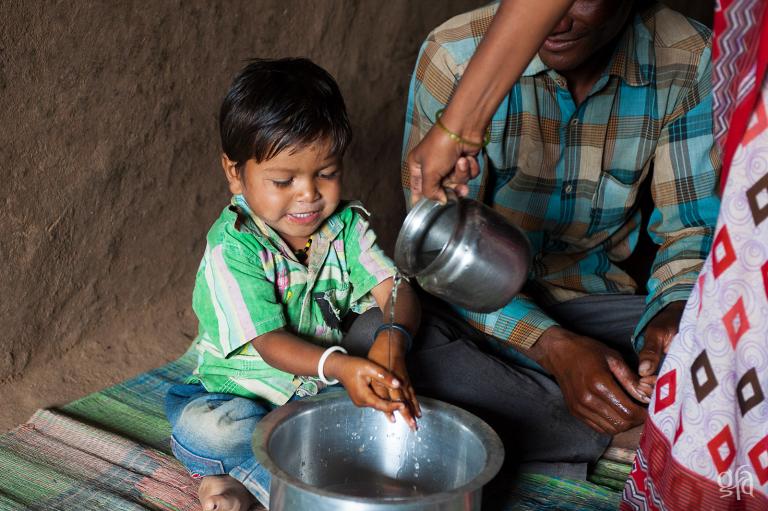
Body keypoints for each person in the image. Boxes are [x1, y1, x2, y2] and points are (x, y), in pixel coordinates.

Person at [402, 0, 720, 450]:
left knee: (735, 337)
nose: (559, 20)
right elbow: (439, 263)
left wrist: (674, 314)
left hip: (599, 303)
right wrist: (553, 348)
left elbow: (690, 229)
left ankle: (562, 424)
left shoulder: (687, 55)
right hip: (484, 315)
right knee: (387, 341)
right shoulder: (454, 53)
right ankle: (628, 427)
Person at [165, 58, 421, 511]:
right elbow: (269, 343)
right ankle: (261, 483)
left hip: (310, 399)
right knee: (211, 430)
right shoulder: (234, 248)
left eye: (326, 174)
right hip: (233, 398)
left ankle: (239, 484)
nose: (308, 194)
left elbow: (393, 289)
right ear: (234, 173)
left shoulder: (345, 227)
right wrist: (343, 367)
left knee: (374, 414)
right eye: (283, 180)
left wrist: (392, 338)